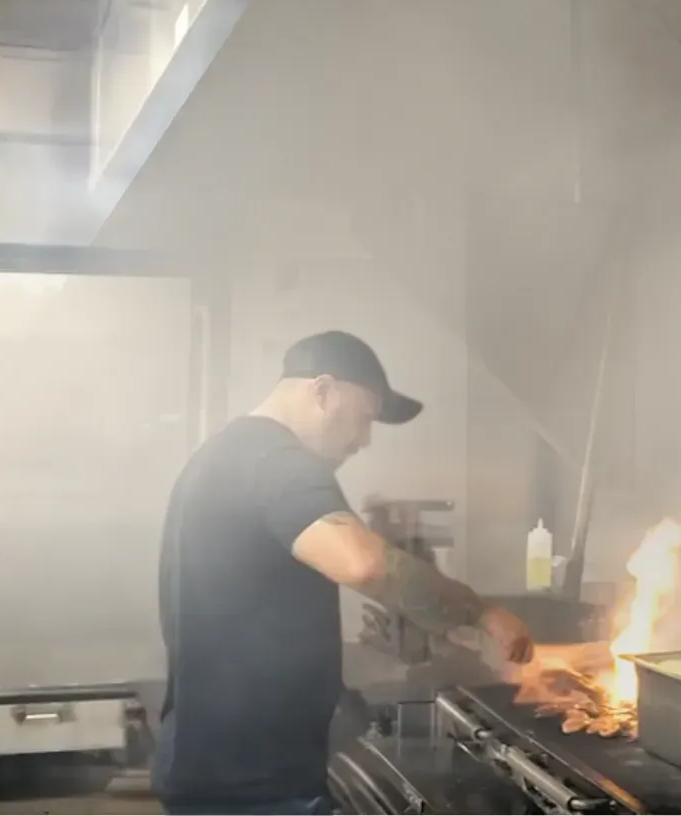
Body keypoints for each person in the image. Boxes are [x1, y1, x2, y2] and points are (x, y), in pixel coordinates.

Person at [153, 330, 534, 815]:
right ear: (323, 391)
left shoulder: (226, 454)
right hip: (252, 780)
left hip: (218, 759)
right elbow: (362, 563)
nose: (364, 440)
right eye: (365, 418)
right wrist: (480, 613)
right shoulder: (276, 459)